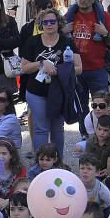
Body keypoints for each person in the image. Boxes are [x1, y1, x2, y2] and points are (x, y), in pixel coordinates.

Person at [20, 8, 80, 158]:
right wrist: (41, 63)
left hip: (59, 92)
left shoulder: (67, 42)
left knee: (57, 128)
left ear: (58, 22)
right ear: (41, 24)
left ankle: (58, 161)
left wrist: (58, 70)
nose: (49, 24)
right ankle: (41, 163)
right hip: (36, 92)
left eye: (52, 21)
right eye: (45, 22)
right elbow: (24, 68)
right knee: (41, 128)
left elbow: (79, 68)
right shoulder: (33, 41)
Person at [64, 0, 110, 131]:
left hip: (97, 69)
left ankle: (105, 134)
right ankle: (85, 134)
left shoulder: (102, 16)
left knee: (102, 105)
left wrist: (105, 33)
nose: (82, 0)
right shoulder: (70, 16)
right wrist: (63, 31)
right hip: (76, 70)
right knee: (81, 105)